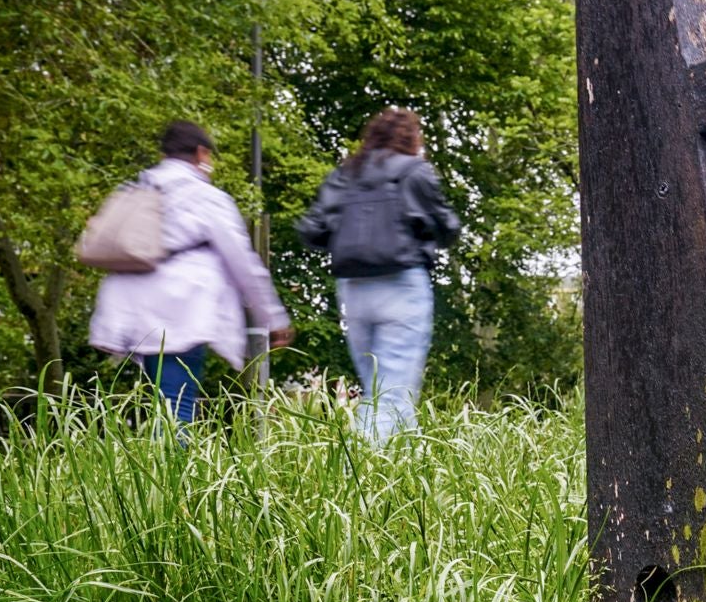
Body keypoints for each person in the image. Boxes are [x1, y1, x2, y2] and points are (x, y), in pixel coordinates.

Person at [89, 120, 292, 425]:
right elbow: (244, 264)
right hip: (180, 309)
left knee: (165, 400)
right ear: (201, 153)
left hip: (132, 310)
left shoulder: (138, 188)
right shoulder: (206, 198)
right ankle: (170, 472)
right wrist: (273, 318)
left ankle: (158, 468)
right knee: (177, 405)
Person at [298, 107, 460, 443]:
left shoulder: (346, 174)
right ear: (412, 140)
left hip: (354, 290)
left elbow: (312, 229)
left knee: (378, 390)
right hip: (402, 285)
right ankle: (363, 480)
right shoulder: (415, 172)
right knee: (393, 394)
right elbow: (448, 227)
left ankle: (409, 478)